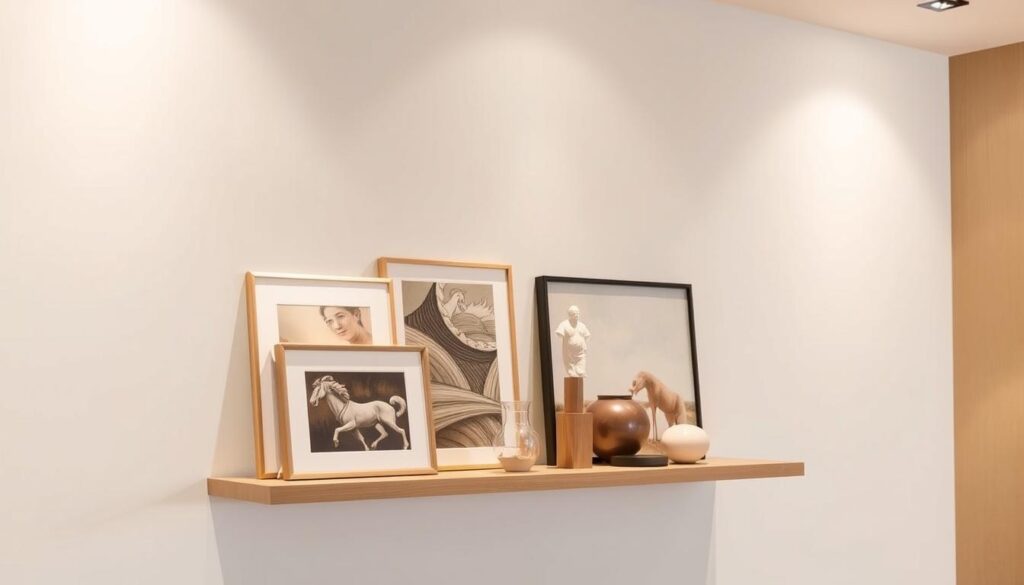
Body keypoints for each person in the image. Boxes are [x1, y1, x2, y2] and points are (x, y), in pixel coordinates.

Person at [555, 305, 590, 377]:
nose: (576, 315)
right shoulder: (564, 324)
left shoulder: (582, 325)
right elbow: (559, 333)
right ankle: (571, 371)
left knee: (581, 368)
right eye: (574, 313)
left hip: (580, 352)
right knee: (571, 368)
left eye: (578, 313)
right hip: (569, 352)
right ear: (570, 315)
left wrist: (585, 345)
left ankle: (580, 371)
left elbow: (587, 335)